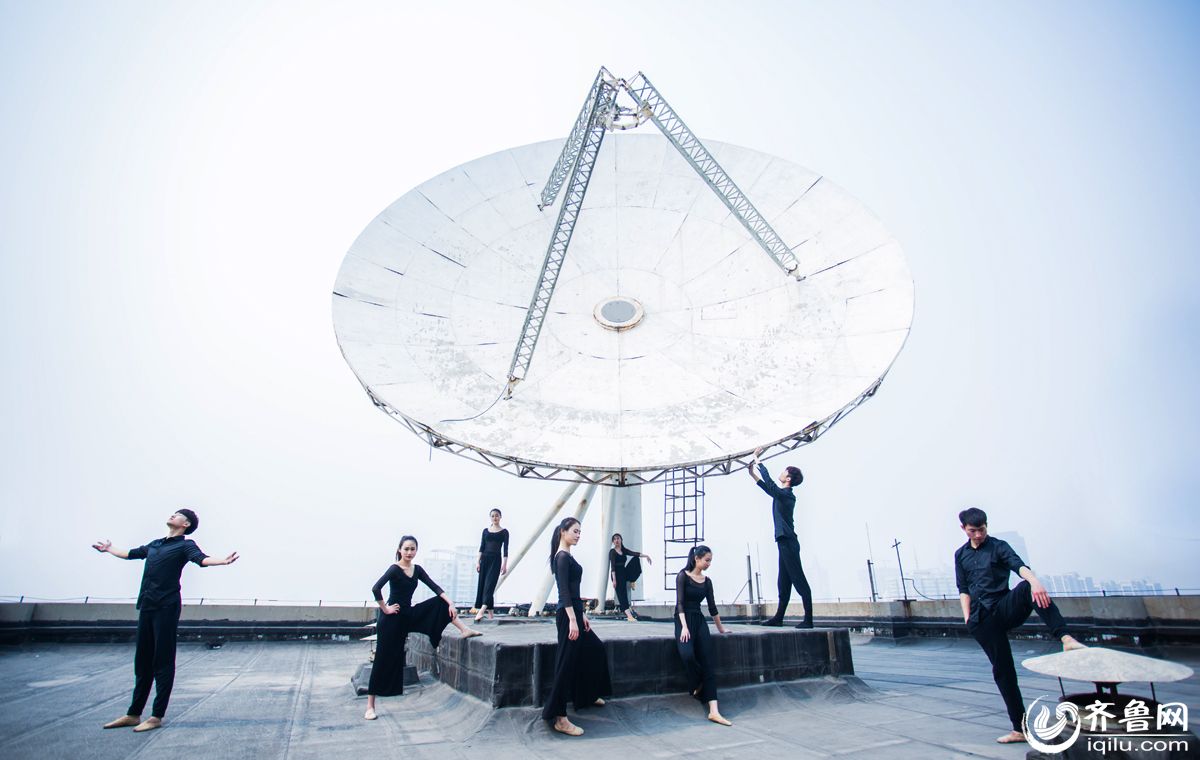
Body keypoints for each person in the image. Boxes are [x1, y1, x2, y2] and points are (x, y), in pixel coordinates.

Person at [93, 509, 239, 733]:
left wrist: (222, 561)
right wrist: (109, 549)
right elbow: (130, 554)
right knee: (142, 661)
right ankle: (133, 714)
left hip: (166, 607)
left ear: (185, 524)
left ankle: (156, 715)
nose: (172, 516)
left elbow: (201, 559)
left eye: (176, 515)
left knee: (162, 661)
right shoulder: (155, 544)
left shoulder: (185, 545)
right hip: (147, 605)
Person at [955, 508, 1086, 744]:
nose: (978, 535)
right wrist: (967, 617)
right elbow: (963, 588)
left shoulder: (998, 546)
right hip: (980, 620)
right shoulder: (960, 555)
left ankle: (1065, 638)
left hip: (1003, 606)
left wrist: (1034, 581)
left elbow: (1018, 565)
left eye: (982, 529)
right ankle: (1019, 729)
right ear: (963, 529)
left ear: (987, 526)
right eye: (973, 531)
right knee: (1003, 671)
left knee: (1026, 588)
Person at [365, 535, 482, 720]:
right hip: (391, 620)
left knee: (440, 604)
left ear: (416, 551)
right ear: (399, 550)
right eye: (406, 549)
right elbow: (376, 588)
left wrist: (450, 602)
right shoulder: (394, 569)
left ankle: (464, 629)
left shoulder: (417, 569)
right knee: (382, 659)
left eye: (413, 549)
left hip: (408, 615)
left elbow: (434, 587)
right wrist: (385, 609)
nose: (409, 552)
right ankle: (370, 706)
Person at [542, 517, 612, 736]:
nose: (579, 535)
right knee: (566, 663)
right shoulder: (561, 557)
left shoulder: (567, 556)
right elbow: (563, 593)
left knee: (594, 649)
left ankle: (587, 695)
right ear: (563, 532)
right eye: (575, 531)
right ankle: (560, 718)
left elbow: (572, 591)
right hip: (567, 616)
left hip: (575, 614)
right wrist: (573, 619)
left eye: (580, 532)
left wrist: (581, 615)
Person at [747, 448, 813, 628]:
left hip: (788, 542)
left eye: (785, 471)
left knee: (798, 580)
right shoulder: (782, 494)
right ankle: (778, 618)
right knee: (783, 582)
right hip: (784, 542)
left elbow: (770, 485)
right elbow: (766, 487)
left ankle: (808, 620)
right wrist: (752, 473)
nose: (782, 472)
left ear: (789, 478)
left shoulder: (786, 495)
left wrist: (757, 460)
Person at [675, 545, 732, 726]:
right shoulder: (682, 576)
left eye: (710, 561)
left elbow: (712, 607)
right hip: (683, 620)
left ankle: (714, 711)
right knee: (687, 654)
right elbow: (680, 604)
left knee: (708, 662)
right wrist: (684, 627)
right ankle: (698, 684)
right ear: (696, 559)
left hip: (699, 621)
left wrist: (721, 629)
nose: (708, 564)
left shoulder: (707, 582)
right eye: (707, 560)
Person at [473, 508, 509, 622]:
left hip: (496, 560)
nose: (495, 518)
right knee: (484, 585)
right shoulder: (485, 531)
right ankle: (491, 615)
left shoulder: (504, 532)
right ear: (490, 517)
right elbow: (481, 547)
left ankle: (481, 612)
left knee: (490, 585)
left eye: (497, 515)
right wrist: (477, 561)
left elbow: (505, 550)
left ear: (500, 517)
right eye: (493, 516)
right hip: (485, 559)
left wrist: (504, 565)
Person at [609, 533, 652, 622]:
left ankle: (632, 580)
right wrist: (614, 580)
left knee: (636, 559)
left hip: (624, 572)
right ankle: (629, 616)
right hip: (616, 574)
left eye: (618, 538)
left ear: (621, 540)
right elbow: (612, 566)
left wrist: (646, 556)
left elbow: (634, 553)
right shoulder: (612, 552)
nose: (617, 540)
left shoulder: (623, 550)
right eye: (615, 539)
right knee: (622, 595)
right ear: (613, 542)